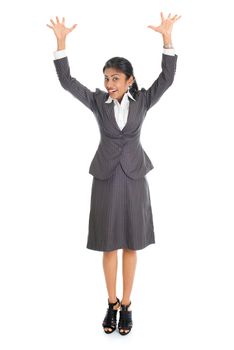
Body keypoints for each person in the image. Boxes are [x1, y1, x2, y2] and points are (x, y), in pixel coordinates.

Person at [47, 12, 181, 336]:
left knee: (132, 245)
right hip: (106, 177)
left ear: (129, 81)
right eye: (107, 77)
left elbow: (168, 78)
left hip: (135, 176)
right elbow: (67, 82)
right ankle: (112, 304)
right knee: (109, 245)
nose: (109, 83)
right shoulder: (97, 102)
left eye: (116, 78)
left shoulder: (144, 100)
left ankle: (128, 303)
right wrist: (61, 43)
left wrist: (167, 39)